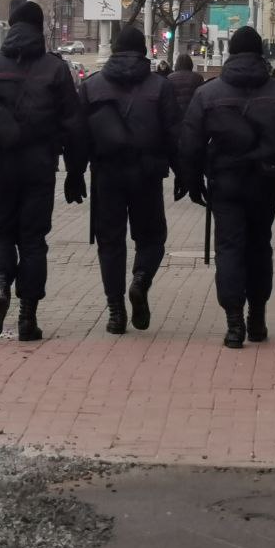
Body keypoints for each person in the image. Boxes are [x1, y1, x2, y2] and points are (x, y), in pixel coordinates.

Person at [0, 0, 87, 342]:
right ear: (39, 29)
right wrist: (75, 172)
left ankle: (0, 286)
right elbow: (74, 125)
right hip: (40, 167)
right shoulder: (55, 70)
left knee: (0, 232)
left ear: (11, 26)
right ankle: (28, 318)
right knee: (32, 240)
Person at [179, 26, 275, 349]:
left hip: (225, 183)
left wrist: (192, 182)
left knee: (229, 248)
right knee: (259, 246)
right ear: (260, 54)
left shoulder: (208, 94)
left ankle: (234, 323)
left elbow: (191, 143)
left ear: (231, 54)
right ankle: (258, 316)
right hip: (265, 182)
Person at [79, 26, 181, 334]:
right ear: (144, 51)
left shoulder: (92, 86)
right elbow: (174, 134)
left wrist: (74, 173)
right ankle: (140, 280)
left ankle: (115, 311)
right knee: (151, 239)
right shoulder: (160, 88)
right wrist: (184, 173)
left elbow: (78, 134)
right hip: (147, 175)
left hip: (106, 175)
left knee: (110, 242)